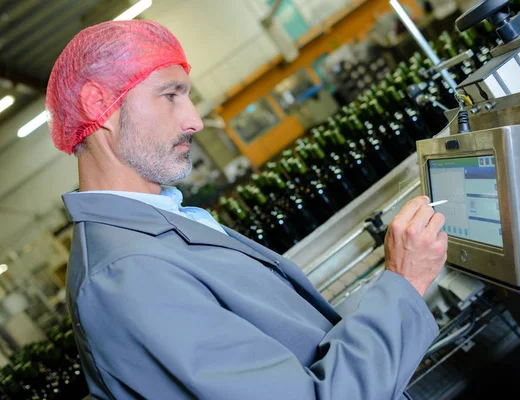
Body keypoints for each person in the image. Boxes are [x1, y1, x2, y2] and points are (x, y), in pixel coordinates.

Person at [48, 20, 448, 399]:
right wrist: (403, 285)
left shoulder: (160, 224)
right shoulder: (127, 274)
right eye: (170, 95)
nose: (194, 121)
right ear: (98, 104)